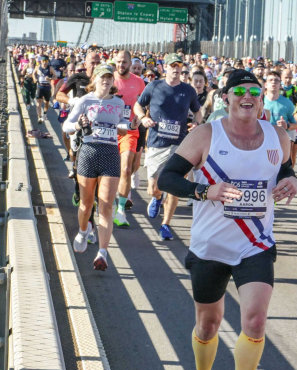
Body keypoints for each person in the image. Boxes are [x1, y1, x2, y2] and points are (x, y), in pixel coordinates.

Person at [157, 69, 297, 370]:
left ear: (263, 98)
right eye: (240, 91)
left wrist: (291, 180)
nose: (248, 96)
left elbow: (284, 168)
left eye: (255, 91)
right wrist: (206, 191)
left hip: (256, 244)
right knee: (209, 324)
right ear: (226, 98)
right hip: (211, 247)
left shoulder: (278, 136)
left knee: (254, 320)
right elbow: (166, 178)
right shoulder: (207, 135)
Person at [62, 65, 132, 271]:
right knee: (86, 204)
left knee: (106, 206)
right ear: (96, 79)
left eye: (110, 78)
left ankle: (103, 253)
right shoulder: (85, 100)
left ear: (113, 82)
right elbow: (67, 125)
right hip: (88, 153)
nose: (107, 81)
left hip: (110, 154)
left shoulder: (119, 103)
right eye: (103, 77)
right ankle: (83, 231)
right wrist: (77, 126)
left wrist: (133, 126)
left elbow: (123, 126)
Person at [133, 53, 203, 240]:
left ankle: (166, 225)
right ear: (165, 68)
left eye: (179, 66)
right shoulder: (154, 86)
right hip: (156, 143)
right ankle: (157, 198)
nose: (175, 69)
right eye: (172, 65)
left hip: (179, 145)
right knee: (153, 188)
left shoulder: (188, 90)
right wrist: (143, 118)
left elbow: (198, 112)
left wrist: (196, 124)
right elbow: (137, 106)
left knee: (174, 186)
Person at [112, 50, 146, 229]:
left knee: (126, 168)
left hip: (130, 131)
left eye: (124, 62)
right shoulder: (108, 79)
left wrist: (140, 117)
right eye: (118, 62)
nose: (121, 65)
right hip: (109, 129)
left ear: (129, 63)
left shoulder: (138, 82)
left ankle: (120, 211)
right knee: (108, 171)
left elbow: (143, 103)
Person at [34, 54, 54, 123]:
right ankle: (39, 117)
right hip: (40, 86)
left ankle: (45, 113)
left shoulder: (50, 68)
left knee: (46, 102)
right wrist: (35, 79)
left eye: (46, 61)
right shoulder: (38, 67)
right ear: (41, 61)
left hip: (47, 87)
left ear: (48, 61)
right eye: (43, 61)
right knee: (39, 102)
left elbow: (55, 76)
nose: (44, 62)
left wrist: (50, 78)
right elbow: (34, 73)